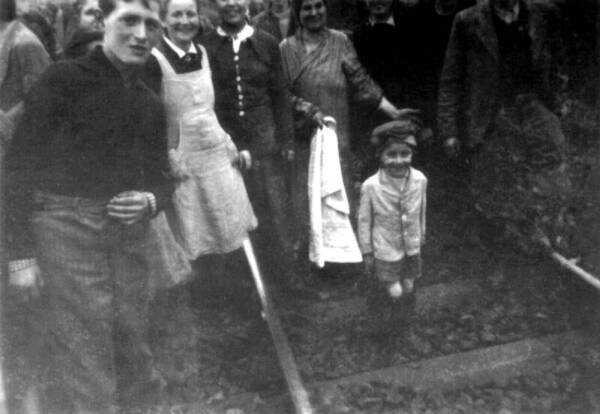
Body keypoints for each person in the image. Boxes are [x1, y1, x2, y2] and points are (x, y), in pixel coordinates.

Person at [4, 0, 171, 412]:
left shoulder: (149, 99)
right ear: (102, 23)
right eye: (128, 21)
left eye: (151, 24)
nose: (141, 34)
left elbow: (161, 176)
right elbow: (17, 168)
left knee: (132, 336)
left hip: (125, 233)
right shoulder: (62, 78)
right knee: (88, 348)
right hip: (63, 228)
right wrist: (21, 257)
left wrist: (150, 200)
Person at [280, 0, 417, 268]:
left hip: (336, 134)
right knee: (307, 197)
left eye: (318, 6)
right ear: (298, 13)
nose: (314, 13)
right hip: (304, 135)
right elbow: (280, 91)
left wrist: (392, 112)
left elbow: (360, 81)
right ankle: (314, 264)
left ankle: (346, 263)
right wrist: (307, 110)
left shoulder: (340, 41)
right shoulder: (286, 49)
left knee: (340, 197)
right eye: (306, 8)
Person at [437, 0, 568, 251]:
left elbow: (559, 63)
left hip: (538, 112)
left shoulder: (545, 14)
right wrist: (449, 130)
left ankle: (549, 255)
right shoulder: (467, 21)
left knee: (550, 182)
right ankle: (503, 262)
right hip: (494, 117)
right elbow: (451, 78)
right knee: (498, 194)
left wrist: (558, 105)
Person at [151, 0, 256, 286]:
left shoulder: (205, 54)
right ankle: (204, 300)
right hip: (183, 158)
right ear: (163, 21)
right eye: (177, 15)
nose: (184, 21)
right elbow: (150, 118)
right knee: (193, 225)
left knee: (226, 219)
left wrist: (237, 142)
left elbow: (223, 105)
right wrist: (167, 158)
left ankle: (233, 292)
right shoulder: (154, 60)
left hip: (217, 152)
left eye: (190, 14)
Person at [202, 0, 297, 287]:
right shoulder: (205, 45)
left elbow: (280, 94)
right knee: (234, 213)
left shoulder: (266, 42)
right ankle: (243, 287)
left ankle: (284, 281)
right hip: (225, 145)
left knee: (274, 210)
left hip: (265, 141)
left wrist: (286, 138)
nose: (231, 4)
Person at [358, 120, 426, 333]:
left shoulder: (420, 180)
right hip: (386, 249)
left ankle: (404, 324)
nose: (399, 160)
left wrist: (421, 234)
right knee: (395, 290)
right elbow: (364, 221)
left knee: (408, 285)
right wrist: (367, 251)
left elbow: (422, 210)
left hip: (411, 247)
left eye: (405, 154)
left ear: (412, 154)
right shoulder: (371, 186)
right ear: (380, 155)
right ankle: (388, 326)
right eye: (391, 154)